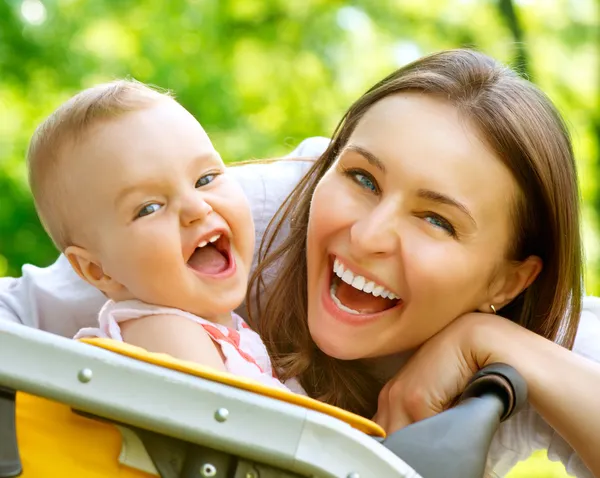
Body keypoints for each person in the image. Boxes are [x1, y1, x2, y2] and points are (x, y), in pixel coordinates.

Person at [1, 50, 599, 477]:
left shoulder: (546, 339)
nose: (368, 236)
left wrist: (490, 339)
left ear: (506, 279)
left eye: (436, 219)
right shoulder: (245, 226)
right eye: (362, 177)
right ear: (324, 167)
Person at [23, 79, 291, 391]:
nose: (197, 208)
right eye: (149, 208)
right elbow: (241, 430)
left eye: (205, 178)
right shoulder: (163, 333)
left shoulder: (212, 330)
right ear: (98, 270)